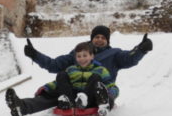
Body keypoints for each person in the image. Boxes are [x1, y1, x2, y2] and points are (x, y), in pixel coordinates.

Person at [6, 41, 116, 116]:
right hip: (72, 98)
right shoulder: (71, 69)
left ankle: (102, 103)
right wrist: (47, 88)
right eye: (79, 56)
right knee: (61, 76)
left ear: (92, 56)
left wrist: (111, 93)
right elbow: (58, 82)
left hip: (91, 98)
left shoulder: (101, 70)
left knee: (95, 78)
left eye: (85, 55)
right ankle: (21, 107)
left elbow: (110, 85)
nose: (82, 59)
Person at [23, 25, 152, 85]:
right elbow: (54, 65)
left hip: (100, 89)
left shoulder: (114, 54)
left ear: (107, 41)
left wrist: (141, 49)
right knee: (54, 87)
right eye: (97, 37)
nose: (100, 40)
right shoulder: (79, 53)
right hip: (76, 89)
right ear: (92, 39)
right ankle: (24, 106)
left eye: (103, 38)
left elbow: (129, 59)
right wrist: (34, 55)